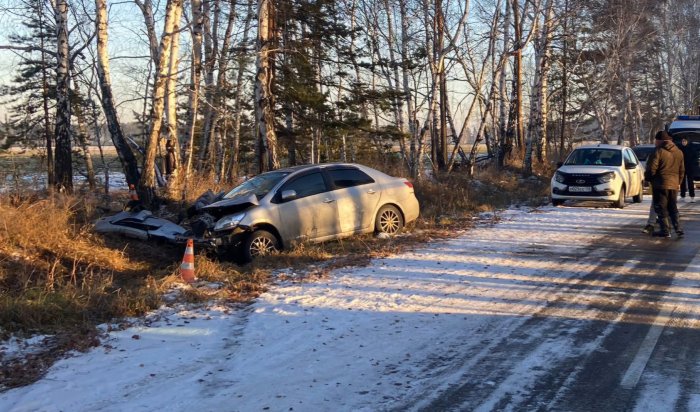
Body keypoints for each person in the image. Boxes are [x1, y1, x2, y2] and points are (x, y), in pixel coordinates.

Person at [644, 130, 685, 238]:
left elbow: (652, 168)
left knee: (661, 207)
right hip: (674, 184)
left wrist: (648, 178)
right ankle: (678, 228)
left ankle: (665, 231)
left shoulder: (658, 151)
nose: (655, 142)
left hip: (660, 184)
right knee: (672, 206)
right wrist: (678, 182)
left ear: (660, 141)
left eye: (656, 140)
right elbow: (682, 170)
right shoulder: (679, 152)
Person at [679, 137, 697, 202]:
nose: (683, 142)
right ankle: (682, 196)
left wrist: (693, 165)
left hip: (690, 168)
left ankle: (692, 196)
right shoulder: (680, 149)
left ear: (687, 141)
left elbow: (695, 158)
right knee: (682, 182)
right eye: (682, 141)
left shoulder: (691, 148)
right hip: (682, 167)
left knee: (690, 182)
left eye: (685, 141)